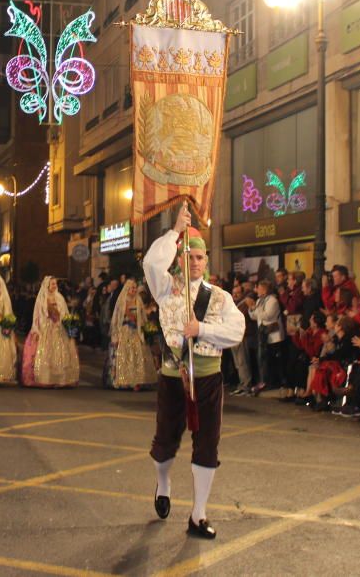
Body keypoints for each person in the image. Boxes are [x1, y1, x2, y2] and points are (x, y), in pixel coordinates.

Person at [143, 205, 245, 540]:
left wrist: (201, 329)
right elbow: (151, 263)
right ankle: (163, 483)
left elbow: (237, 331)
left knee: (207, 445)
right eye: (189, 256)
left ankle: (198, 514)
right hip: (173, 377)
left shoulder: (219, 297)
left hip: (208, 378)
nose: (196, 262)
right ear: (179, 259)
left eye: (200, 257)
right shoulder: (164, 287)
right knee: (164, 443)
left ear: (206, 260)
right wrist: (175, 231)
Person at [21, 276, 80, 387]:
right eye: (52, 283)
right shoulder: (42, 299)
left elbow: (65, 314)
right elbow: (37, 316)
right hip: (46, 328)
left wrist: (67, 326)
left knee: (60, 353)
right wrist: (36, 330)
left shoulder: (60, 298)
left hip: (58, 328)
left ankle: (59, 379)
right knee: (45, 353)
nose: (54, 285)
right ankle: (46, 378)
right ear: (47, 285)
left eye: (55, 284)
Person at [105, 279, 157, 390]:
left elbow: (143, 317)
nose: (134, 290)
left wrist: (142, 325)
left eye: (135, 288)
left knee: (137, 355)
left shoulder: (138, 301)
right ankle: (124, 380)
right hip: (125, 330)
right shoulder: (122, 301)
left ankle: (137, 380)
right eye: (131, 288)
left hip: (136, 331)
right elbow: (117, 319)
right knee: (125, 355)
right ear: (127, 289)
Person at [247, 280, 284, 397]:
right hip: (263, 335)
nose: (256, 290)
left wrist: (255, 309)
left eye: (258, 288)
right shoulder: (259, 301)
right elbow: (253, 316)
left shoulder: (272, 301)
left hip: (273, 336)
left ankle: (274, 382)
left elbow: (268, 315)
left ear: (264, 289)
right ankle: (264, 381)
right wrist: (252, 309)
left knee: (272, 360)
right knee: (263, 359)